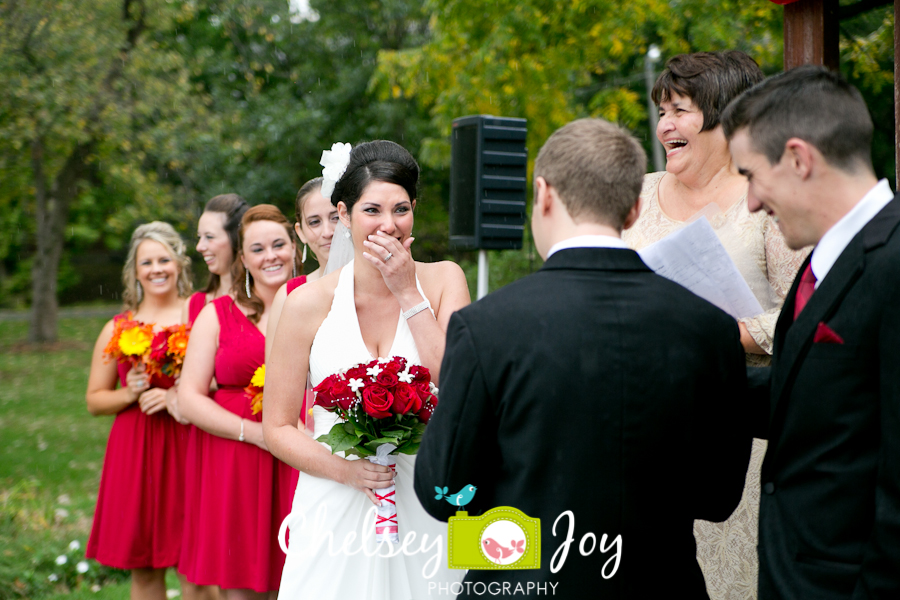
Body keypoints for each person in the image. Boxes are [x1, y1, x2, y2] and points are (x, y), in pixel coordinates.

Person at [414, 118, 753, 599]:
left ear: (543, 193)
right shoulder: (711, 328)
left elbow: (442, 492)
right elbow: (718, 497)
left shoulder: (489, 326)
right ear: (634, 208)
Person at [621, 51, 809, 599]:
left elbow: (806, 309)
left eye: (679, 110)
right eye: (661, 112)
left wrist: (727, 337)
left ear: (724, 115)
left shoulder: (767, 200)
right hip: (644, 431)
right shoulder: (634, 195)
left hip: (739, 433)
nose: (664, 126)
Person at [263, 140, 470, 600]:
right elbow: (276, 425)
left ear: (415, 209)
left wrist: (407, 292)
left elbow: (457, 381)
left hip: (424, 495)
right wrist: (345, 471)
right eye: (372, 210)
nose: (388, 224)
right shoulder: (305, 304)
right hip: (335, 500)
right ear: (344, 214)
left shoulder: (444, 279)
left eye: (401, 209)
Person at [722, 66, 900, 599]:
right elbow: (805, 399)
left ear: (799, 159)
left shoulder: (893, 264)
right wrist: (684, 371)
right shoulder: (817, 264)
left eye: (751, 175)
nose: (751, 201)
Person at [177, 205, 296, 598]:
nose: (271, 256)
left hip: (301, 457)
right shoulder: (217, 314)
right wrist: (256, 433)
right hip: (236, 460)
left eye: (279, 244)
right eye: (258, 249)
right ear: (243, 258)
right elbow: (189, 397)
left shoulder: (319, 304)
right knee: (241, 584)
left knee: (304, 575)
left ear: (295, 247)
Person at [85, 222, 193, 600]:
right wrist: (129, 394)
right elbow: (95, 399)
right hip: (136, 452)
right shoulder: (118, 327)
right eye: (147, 262)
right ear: (135, 271)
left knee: (198, 573)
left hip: (189, 444)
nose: (157, 268)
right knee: (145, 570)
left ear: (179, 263)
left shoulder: (199, 314)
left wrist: (178, 395)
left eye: (164, 259)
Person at [264, 177, 337, 502]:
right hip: (313, 437)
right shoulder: (291, 296)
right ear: (300, 232)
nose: (327, 231)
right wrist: (306, 438)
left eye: (335, 216)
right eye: (314, 222)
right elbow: (277, 387)